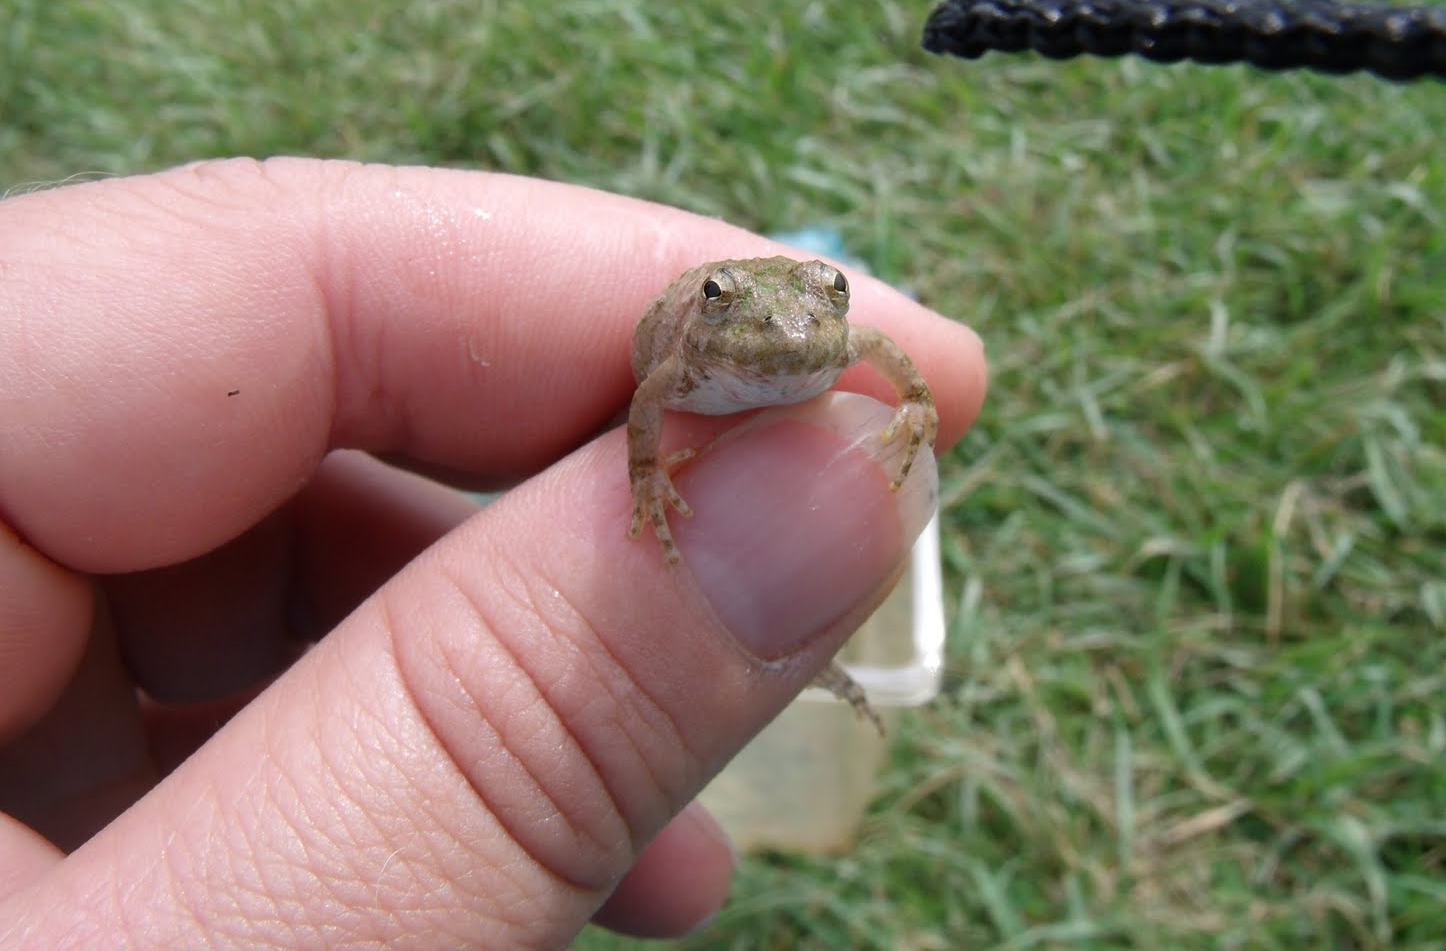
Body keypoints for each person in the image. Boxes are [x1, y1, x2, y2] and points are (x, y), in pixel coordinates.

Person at [0, 158, 987, 947]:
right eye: (730, 300)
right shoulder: (694, 355)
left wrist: (912, 413)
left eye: (824, 296)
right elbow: (649, 402)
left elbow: (900, 370)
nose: (790, 328)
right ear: (708, 312)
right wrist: (650, 482)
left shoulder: (828, 337)